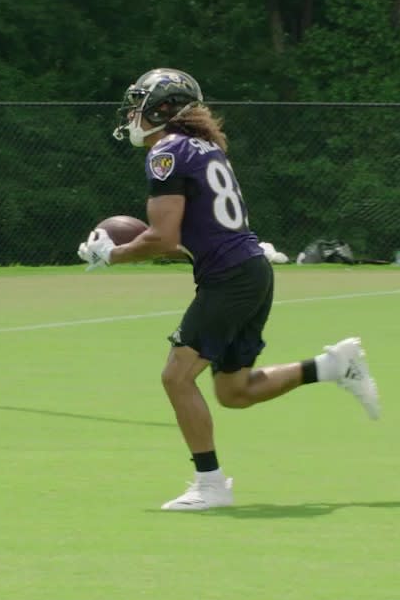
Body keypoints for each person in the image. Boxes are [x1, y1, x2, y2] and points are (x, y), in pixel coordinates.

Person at [76, 67, 380, 511]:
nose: (131, 110)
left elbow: (162, 238)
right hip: (249, 270)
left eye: (140, 101)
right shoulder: (204, 148)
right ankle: (333, 367)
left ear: (163, 108)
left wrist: (112, 255)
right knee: (233, 391)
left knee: (175, 377)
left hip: (231, 278)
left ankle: (211, 484)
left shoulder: (167, 153)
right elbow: (193, 238)